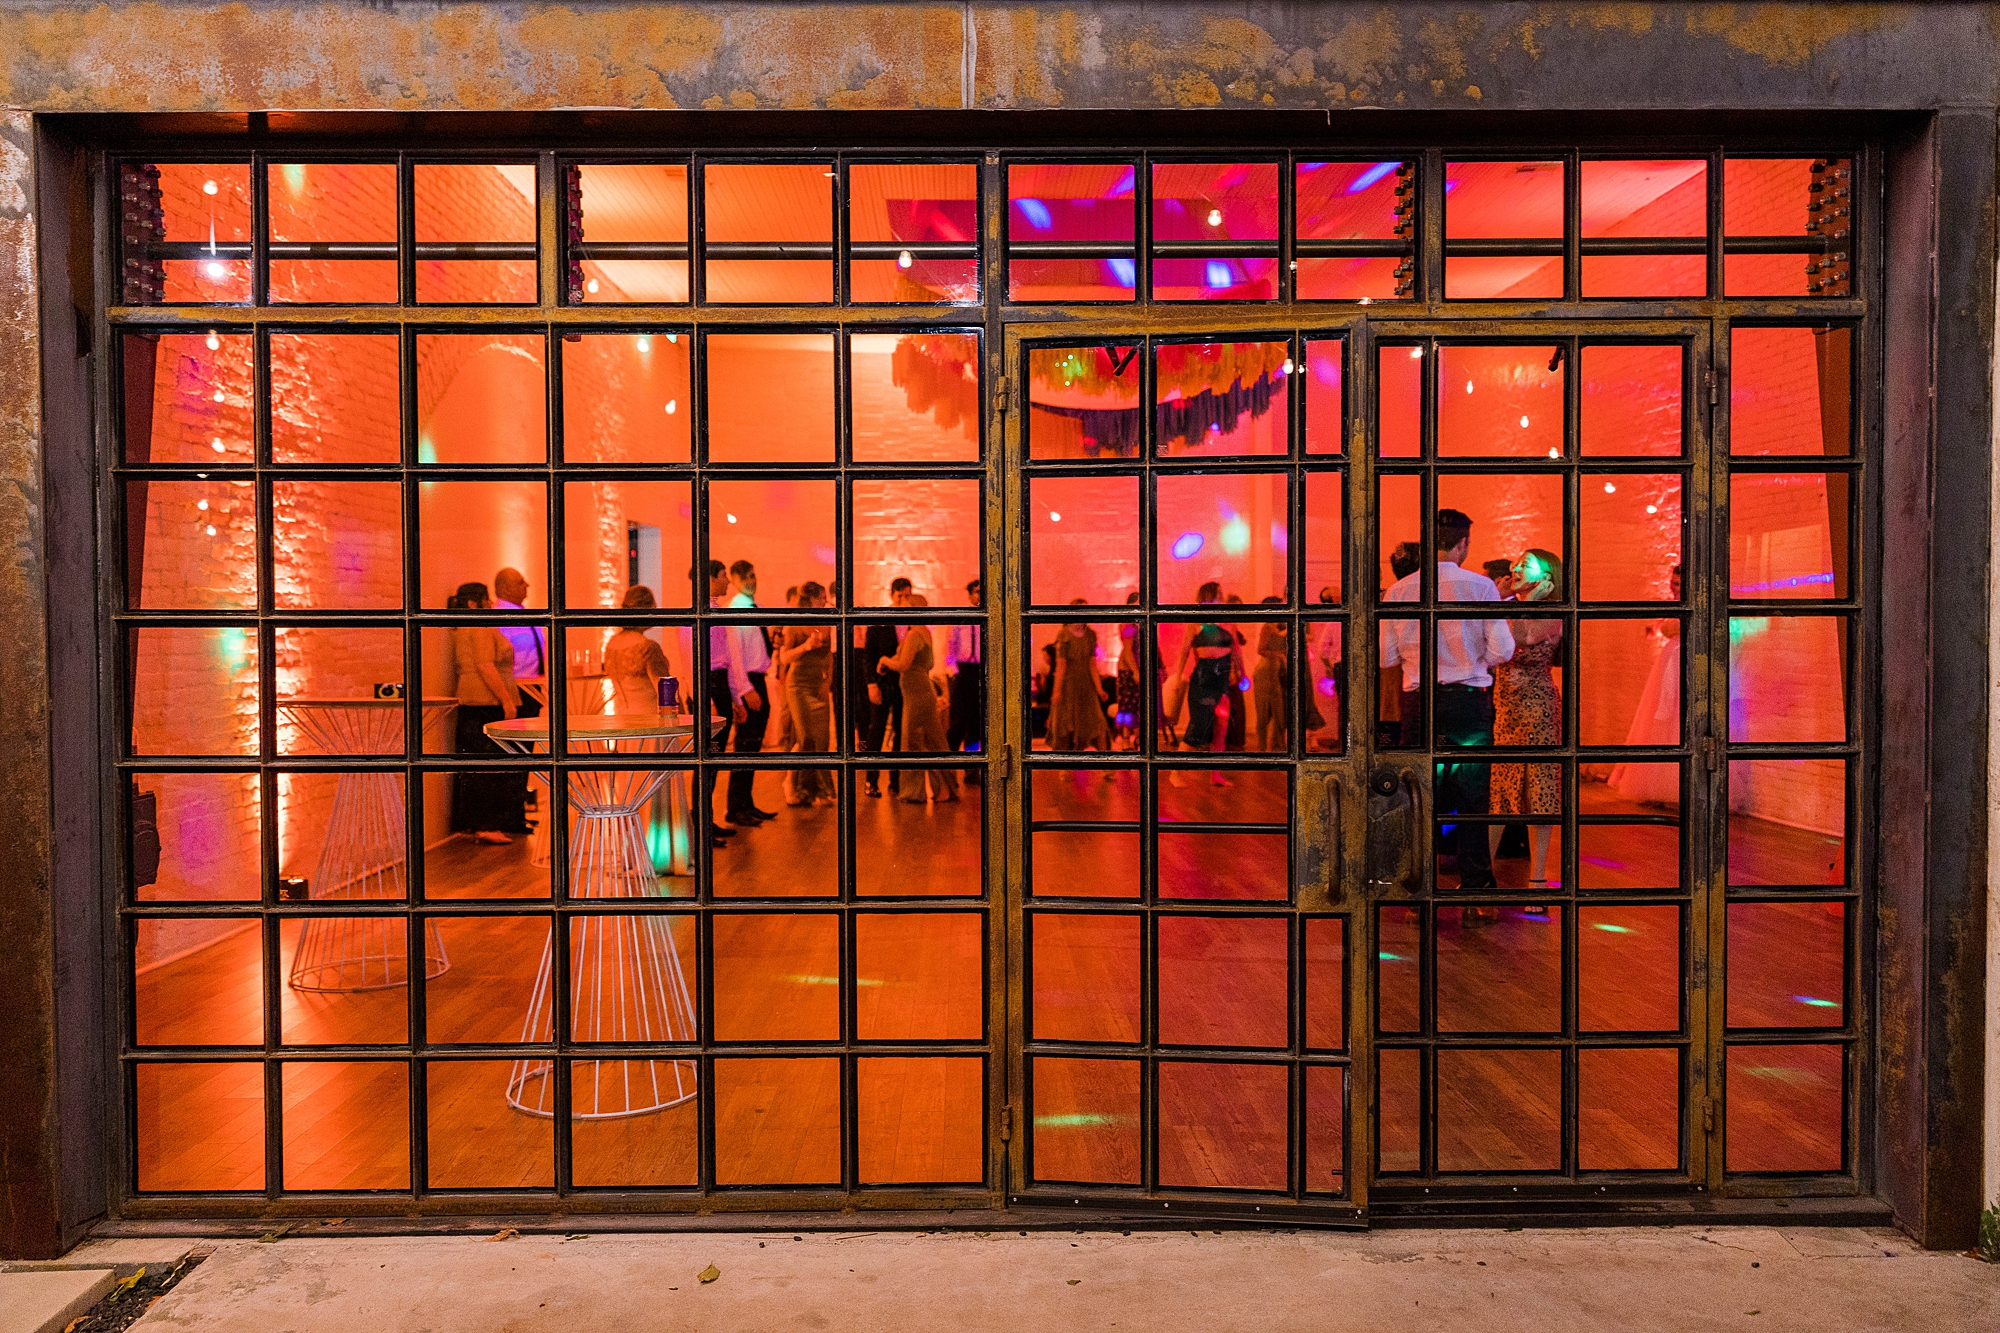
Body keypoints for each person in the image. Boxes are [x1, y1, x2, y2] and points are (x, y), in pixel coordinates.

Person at [1381, 509, 1516, 892]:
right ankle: (1475, 889)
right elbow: (1503, 650)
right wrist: (1473, 659)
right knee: (1473, 798)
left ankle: (1416, 887)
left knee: (1419, 796)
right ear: (1463, 544)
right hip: (1468, 702)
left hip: (1419, 704)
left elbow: (1385, 657)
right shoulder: (1482, 587)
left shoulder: (1401, 589)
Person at [1489, 550, 1564, 891]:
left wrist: (1509, 600)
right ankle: (1482, 873)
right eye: (1516, 563)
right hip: (1504, 707)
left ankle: (1537, 876)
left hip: (1537, 708)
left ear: (1547, 576)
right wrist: (1500, 599)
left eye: (1526, 564)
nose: (1515, 568)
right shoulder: (1507, 607)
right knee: (1499, 790)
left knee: (1539, 790)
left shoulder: (1552, 611)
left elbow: (1522, 638)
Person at [448, 581, 527, 845]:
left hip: (472, 699)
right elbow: (485, 665)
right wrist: (506, 700)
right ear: (474, 604)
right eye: (486, 600)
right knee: (489, 764)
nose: (492, 604)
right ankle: (487, 823)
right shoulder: (480, 626)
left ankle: (477, 822)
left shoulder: (463, 627)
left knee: (475, 764)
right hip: (485, 700)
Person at [1609, 564, 1684, 805]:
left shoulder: (1693, 604)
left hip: (1683, 661)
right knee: (1660, 717)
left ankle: (1677, 785)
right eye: (1673, 582)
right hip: (1671, 661)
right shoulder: (1674, 605)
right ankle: (1657, 784)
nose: (1674, 587)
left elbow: (1675, 627)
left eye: (1679, 583)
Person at [877, 593, 959, 804]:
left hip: (916, 695)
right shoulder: (924, 633)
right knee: (934, 742)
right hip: (921, 692)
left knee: (912, 742)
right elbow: (926, 664)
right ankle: (945, 789)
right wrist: (892, 661)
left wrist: (885, 659)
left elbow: (904, 665)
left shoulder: (914, 635)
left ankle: (915, 792)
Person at [700, 561, 751, 847]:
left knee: (715, 760)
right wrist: (707, 699)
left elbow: (727, 659)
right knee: (707, 759)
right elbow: (693, 659)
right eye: (722, 577)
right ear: (709, 578)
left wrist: (734, 698)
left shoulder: (716, 610)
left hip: (719, 686)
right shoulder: (697, 612)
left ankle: (707, 821)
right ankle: (701, 824)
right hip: (709, 687)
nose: (727, 583)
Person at [724, 559, 776, 828]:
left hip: (759, 679)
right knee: (744, 747)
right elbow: (734, 656)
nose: (751, 580)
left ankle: (746, 802)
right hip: (748, 683)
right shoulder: (736, 610)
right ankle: (735, 807)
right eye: (745, 576)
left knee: (753, 748)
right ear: (733, 579)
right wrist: (745, 690)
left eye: (753, 575)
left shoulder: (755, 607)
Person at [492, 567, 545, 814]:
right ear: (504, 588)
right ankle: (511, 811)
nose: (527, 586)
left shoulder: (526, 614)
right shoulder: (498, 617)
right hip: (516, 688)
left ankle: (518, 808)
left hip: (533, 687)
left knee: (526, 752)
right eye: (521, 582)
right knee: (516, 751)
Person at [779, 582, 836, 807]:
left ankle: (820, 789)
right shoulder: (794, 624)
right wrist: (806, 646)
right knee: (806, 738)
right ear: (812, 600)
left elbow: (829, 657)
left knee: (822, 740)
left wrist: (827, 682)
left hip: (818, 685)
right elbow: (784, 658)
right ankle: (794, 783)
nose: (825, 601)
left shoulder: (828, 623)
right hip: (798, 686)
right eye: (822, 597)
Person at [859, 579, 910, 797]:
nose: (903, 599)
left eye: (907, 595)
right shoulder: (878, 619)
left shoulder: (912, 622)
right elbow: (868, 657)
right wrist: (871, 684)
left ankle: (896, 781)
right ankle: (871, 780)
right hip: (881, 684)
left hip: (904, 685)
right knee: (876, 733)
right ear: (891, 595)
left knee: (900, 734)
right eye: (900, 595)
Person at [1048, 599, 1110, 751]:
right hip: (1068, 687)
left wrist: (1099, 688)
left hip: (1087, 687)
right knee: (1066, 727)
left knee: (1099, 724)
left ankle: (1107, 766)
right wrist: (1056, 691)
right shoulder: (1064, 635)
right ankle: (1064, 770)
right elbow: (1061, 665)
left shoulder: (1090, 635)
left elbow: (1092, 664)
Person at [603, 585, 675, 714]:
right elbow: (665, 691)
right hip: (648, 719)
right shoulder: (647, 647)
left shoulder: (611, 643)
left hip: (621, 718)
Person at [944, 578, 985, 767]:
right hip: (963, 669)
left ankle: (971, 765)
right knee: (959, 717)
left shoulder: (990, 616)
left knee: (977, 719)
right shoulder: (960, 617)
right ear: (969, 595)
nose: (979, 595)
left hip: (981, 668)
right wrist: (952, 669)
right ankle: (949, 759)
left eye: (981, 591)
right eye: (975, 591)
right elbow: (951, 644)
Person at [1252, 597, 1290, 752]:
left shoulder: (1279, 626)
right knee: (1263, 715)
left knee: (1279, 716)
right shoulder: (1267, 627)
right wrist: (1279, 655)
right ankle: (1262, 750)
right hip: (1264, 674)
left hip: (1275, 675)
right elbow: (1260, 650)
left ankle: (1278, 749)